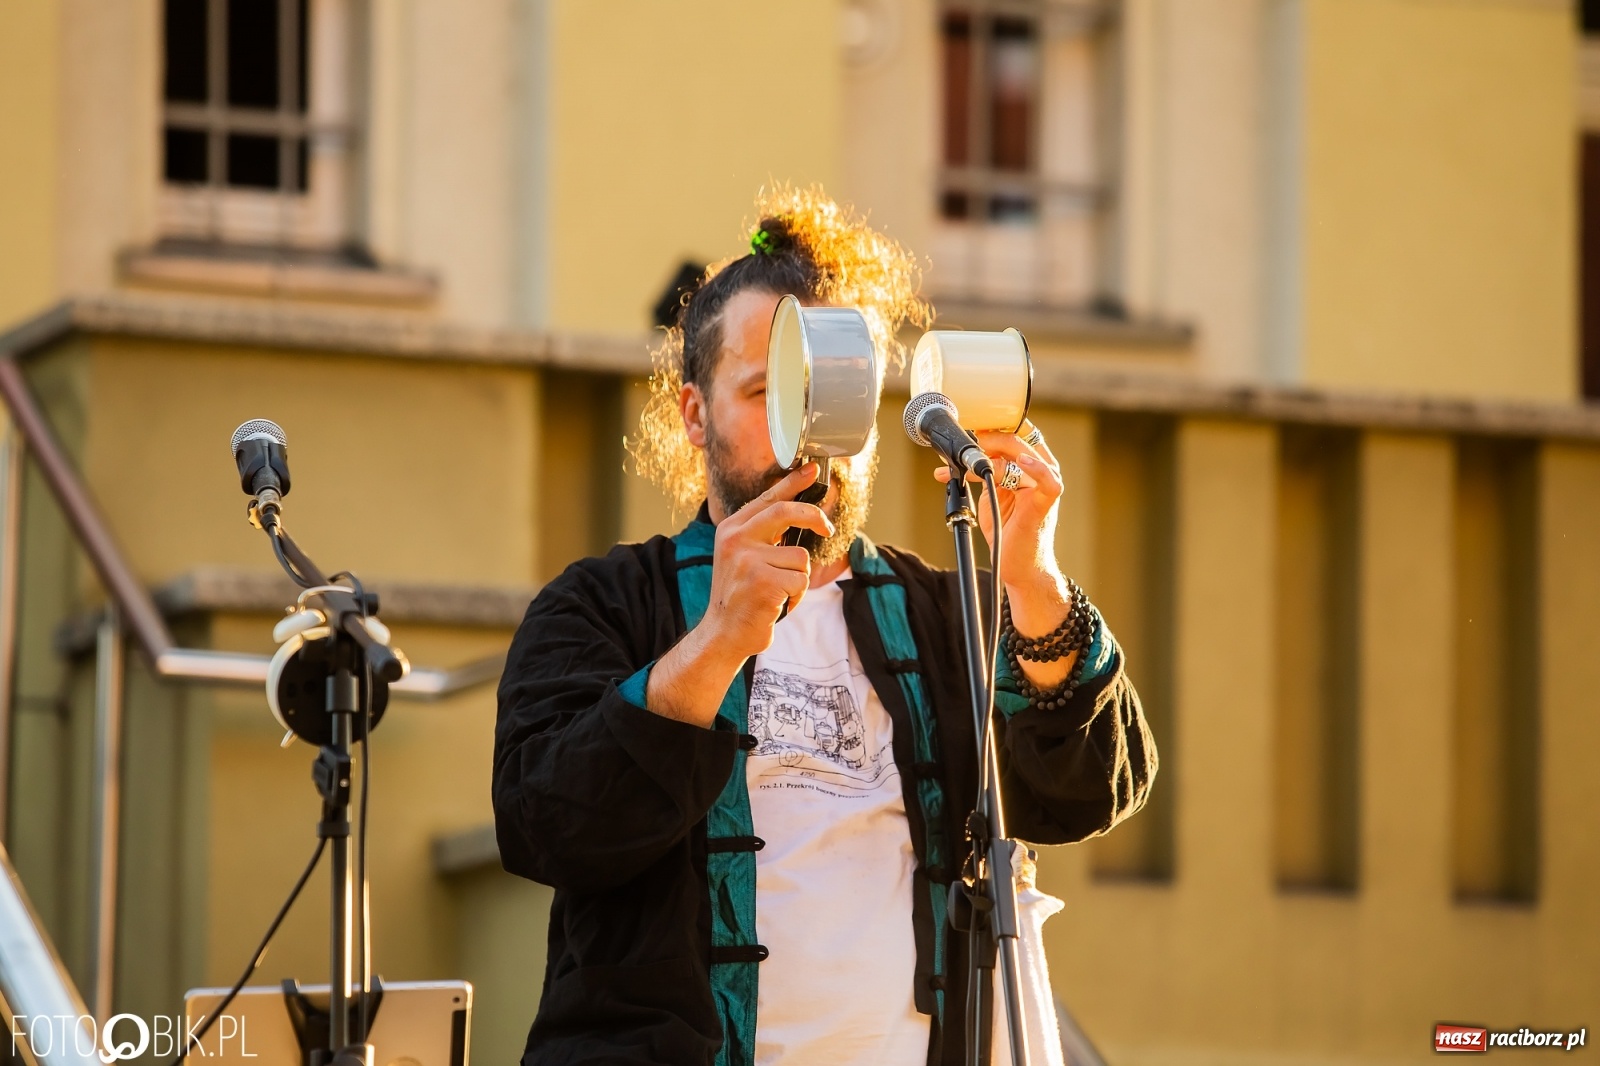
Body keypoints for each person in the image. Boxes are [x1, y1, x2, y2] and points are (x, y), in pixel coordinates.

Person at [493, 186, 1157, 1066]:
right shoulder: (608, 604)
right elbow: (545, 825)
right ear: (695, 414)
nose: (807, 435)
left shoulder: (942, 609)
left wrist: (1029, 575)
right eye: (767, 391)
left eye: (837, 395)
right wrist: (719, 638)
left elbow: (1089, 790)